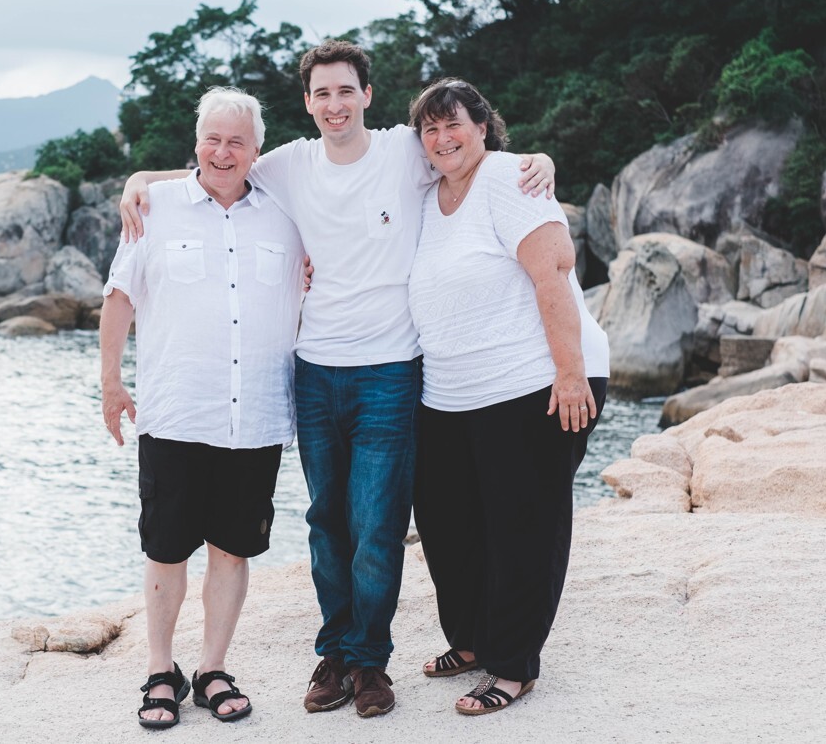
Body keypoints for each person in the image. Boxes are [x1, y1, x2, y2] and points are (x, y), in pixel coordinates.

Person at [120, 40, 555, 719]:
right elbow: (219, 164)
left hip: (390, 369)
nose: (334, 104)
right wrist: (135, 182)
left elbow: (466, 150)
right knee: (328, 524)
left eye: (345, 91)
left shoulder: (403, 152)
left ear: (367, 96)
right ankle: (337, 653)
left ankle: (370, 661)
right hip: (315, 370)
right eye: (321, 93)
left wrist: (537, 160)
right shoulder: (289, 163)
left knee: (378, 526)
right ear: (308, 103)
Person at [101, 87, 306, 729]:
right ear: (195, 143)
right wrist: (110, 382)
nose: (223, 151)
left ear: (257, 149)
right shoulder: (152, 206)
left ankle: (213, 669)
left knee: (234, 550)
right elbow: (119, 298)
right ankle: (160, 671)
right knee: (165, 549)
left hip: (257, 414)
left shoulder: (284, 211)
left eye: (237, 141)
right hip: (176, 410)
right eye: (212, 139)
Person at [405, 78, 610, 715]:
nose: (442, 138)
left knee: (523, 524)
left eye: (454, 124)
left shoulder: (507, 181)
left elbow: (553, 268)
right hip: (449, 391)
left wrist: (570, 375)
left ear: (484, 126)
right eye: (430, 129)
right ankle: (470, 640)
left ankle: (514, 664)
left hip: (534, 382)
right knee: (446, 520)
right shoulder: (424, 193)